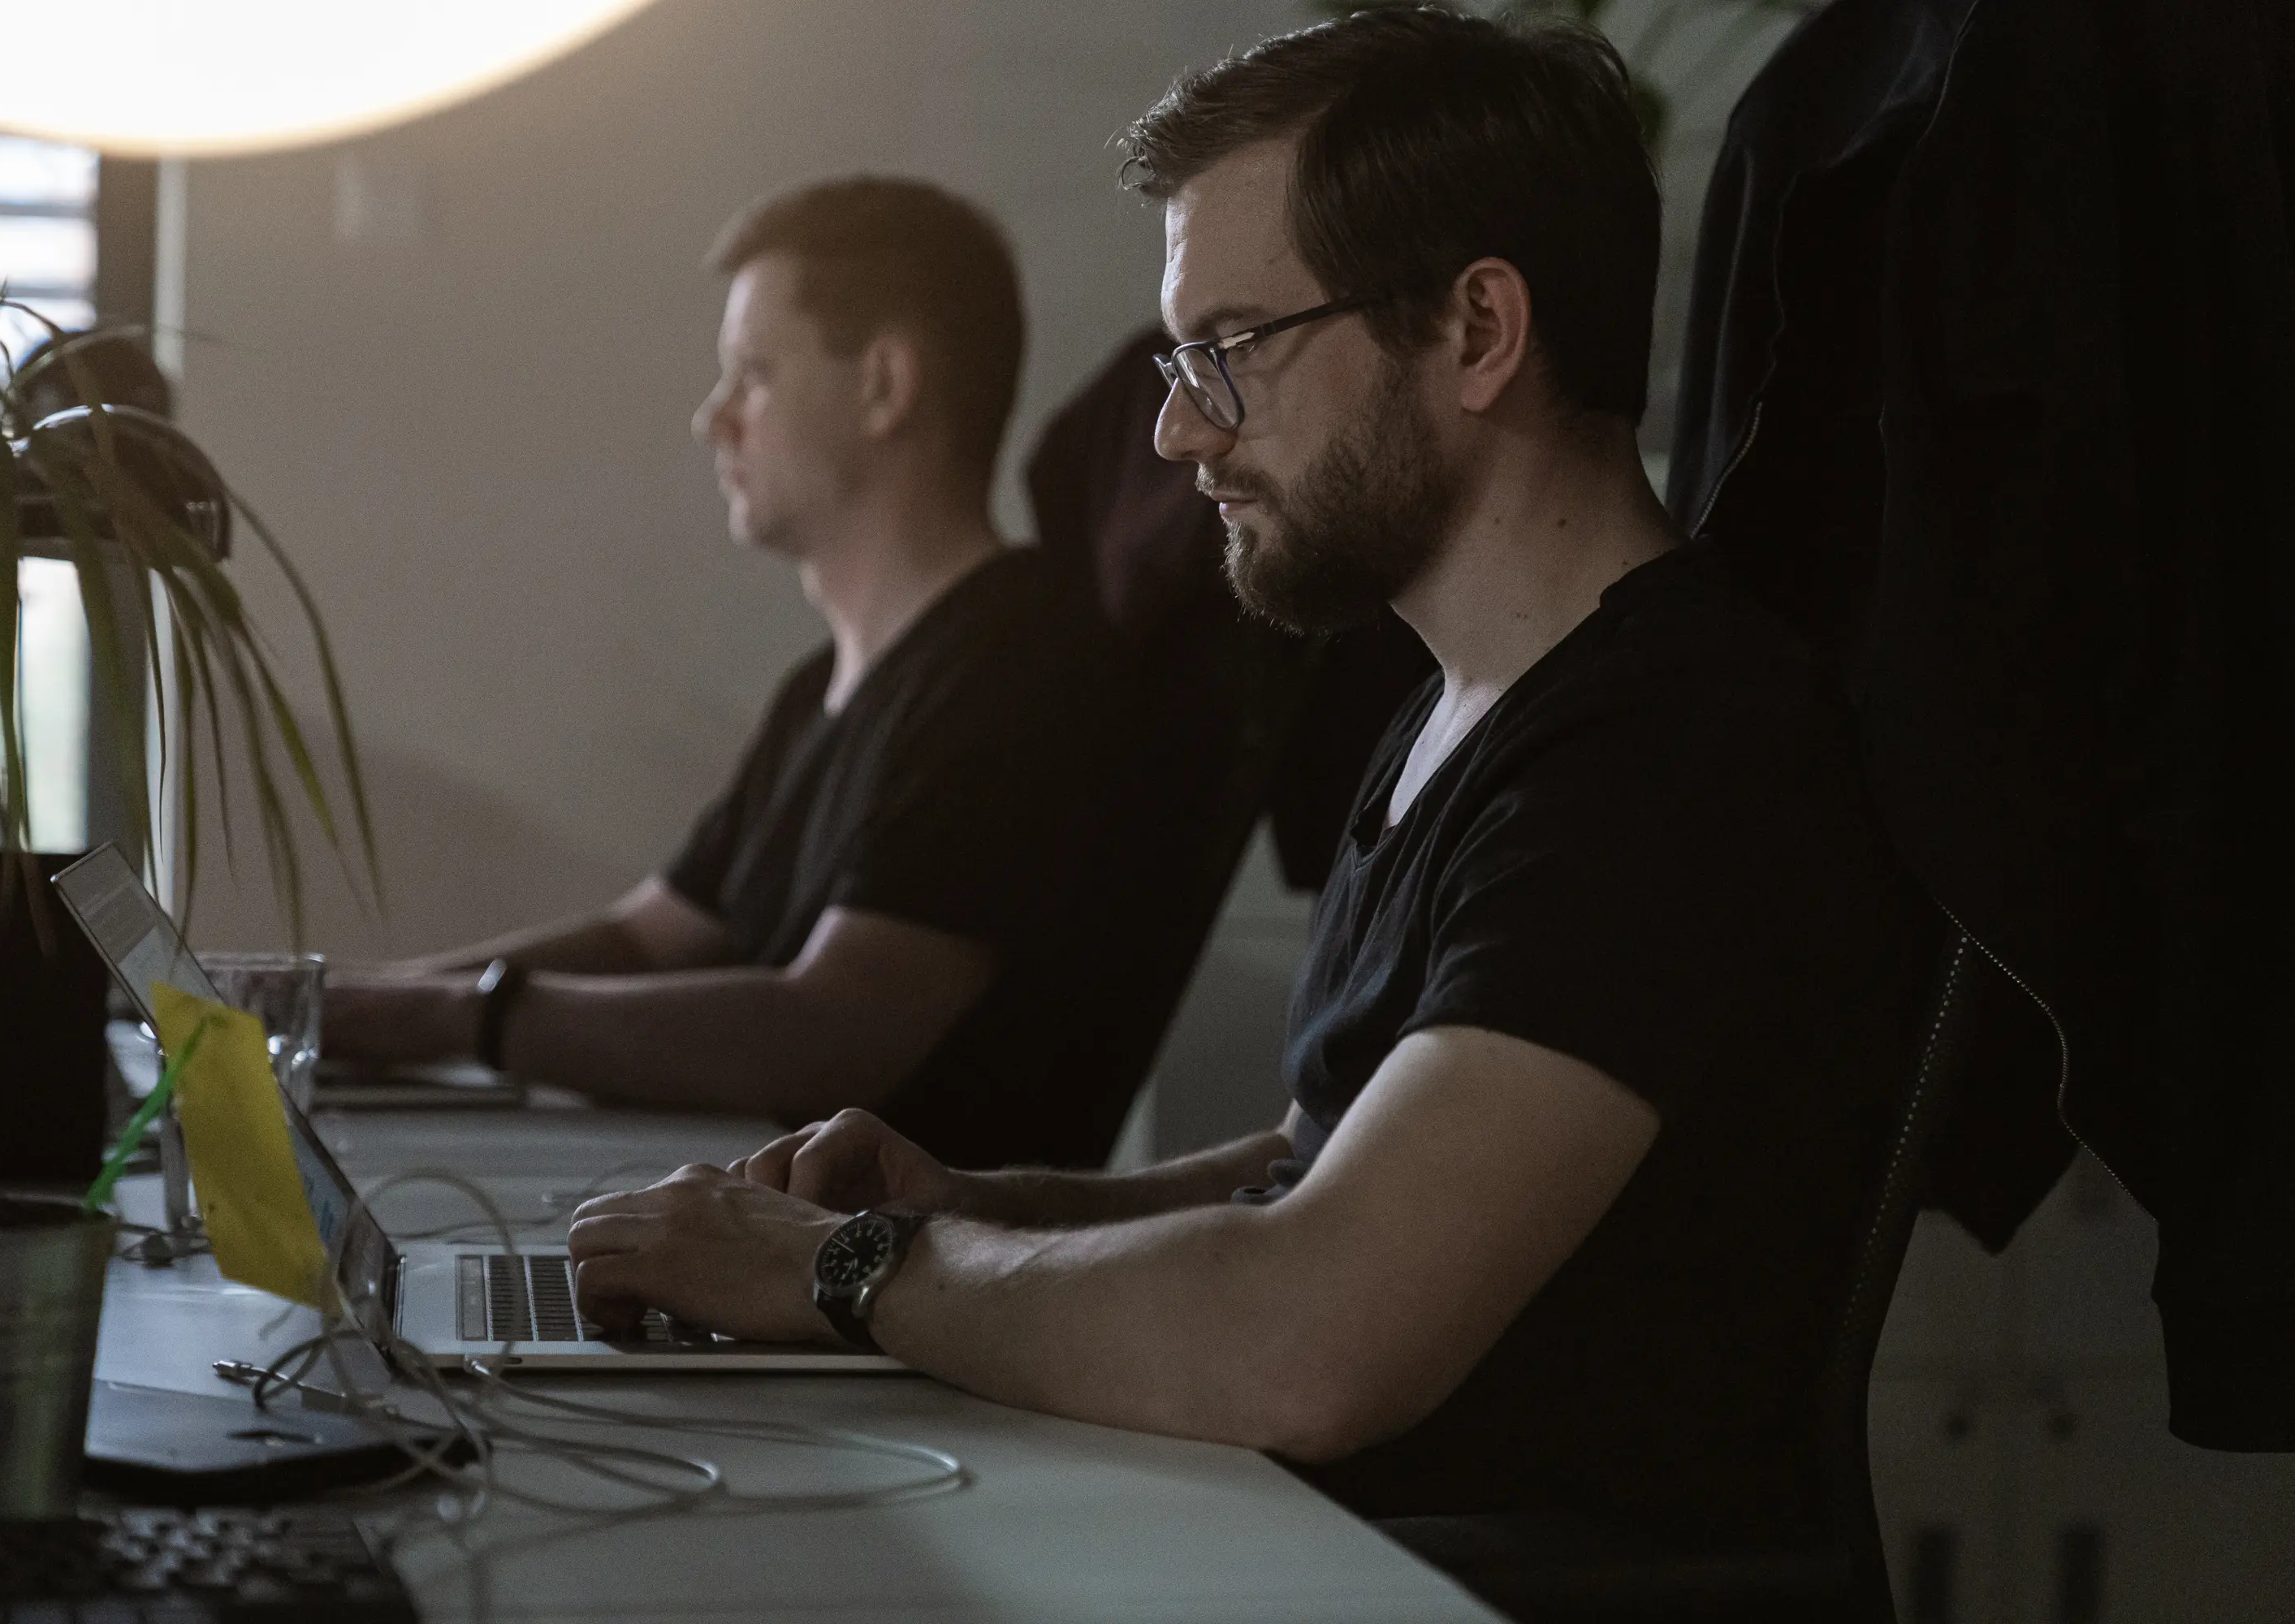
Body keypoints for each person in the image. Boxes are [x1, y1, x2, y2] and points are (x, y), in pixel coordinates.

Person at [560, 7, 1943, 1538]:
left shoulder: (1667, 751)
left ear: (1477, 333)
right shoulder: (1453, 716)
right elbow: (1313, 1158)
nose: (1173, 431)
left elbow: (1315, 1331)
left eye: (1228, 351)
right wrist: (978, 1207)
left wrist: (836, 1274)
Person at [324, 177, 1148, 1171]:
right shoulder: (826, 685)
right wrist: (356, 1010)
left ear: (885, 384)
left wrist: (446, 1020)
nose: (714, 419)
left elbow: (833, 1029)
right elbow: (650, 938)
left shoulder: (1022, 668)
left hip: (879, 1300)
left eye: (752, 373)